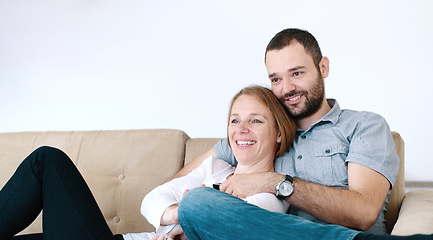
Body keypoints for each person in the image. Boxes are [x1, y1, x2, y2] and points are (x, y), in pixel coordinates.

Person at [171, 28, 430, 239]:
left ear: (323, 68)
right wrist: (179, 217)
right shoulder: (260, 133)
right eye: (276, 79)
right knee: (197, 203)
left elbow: (363, 212)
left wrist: (272, 182)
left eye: (296, 73)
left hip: (350, 237)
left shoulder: (364, 126)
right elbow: (176, 184)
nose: (286, 88)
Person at [0, 85, 296, 240]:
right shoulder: (216, 168)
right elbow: (151, 200)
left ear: (278, 133)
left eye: (255, 121)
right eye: (234, 120)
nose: (241, 130)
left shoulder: (270, 197)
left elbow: (231, 227)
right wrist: (179, 212)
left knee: (47, 161)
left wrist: (195, 213)